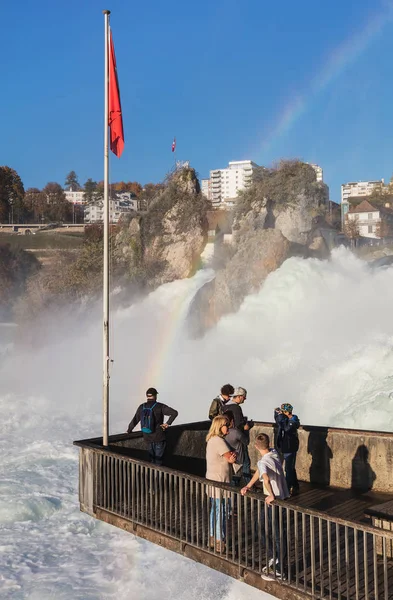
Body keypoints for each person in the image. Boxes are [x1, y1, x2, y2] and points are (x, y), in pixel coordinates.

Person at [241, 433, 289, 581]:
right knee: (262, 528)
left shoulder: (263, 462)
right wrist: (248, 485)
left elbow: (266, 478)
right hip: (283, 498)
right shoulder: (274, 452)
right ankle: (274, 558)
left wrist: (271, 494)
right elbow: (261, 472)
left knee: (274, 533)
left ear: (255, 446)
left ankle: (279, 568)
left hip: (274, 501)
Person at [205, 415, 236, 553]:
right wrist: (233, 456)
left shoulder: (211, 439)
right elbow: (230, 458)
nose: (228, 427)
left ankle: (212, 537)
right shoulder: (219, 441)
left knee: (215, 509)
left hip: (212, 478)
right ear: (220, 426)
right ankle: (219, 540)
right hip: (220, 481)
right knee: (221, 511)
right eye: (226, 424)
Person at [127, 387, 178, 466]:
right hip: (159, 437)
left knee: (151, 460)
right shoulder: (160, 406)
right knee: (158, 461)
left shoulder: (142, 407)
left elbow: (135, 420)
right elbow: (174, 413)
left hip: (147, 437)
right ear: (155, 396)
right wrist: (167, 423)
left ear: (147, 396)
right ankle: (158, 477)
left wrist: (129, 430)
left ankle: (152, 477)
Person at [225, 387, 253, 483]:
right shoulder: (236, 408)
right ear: (240, 396)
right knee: (245, 462)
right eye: (244, 397)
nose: (245, 399)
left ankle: (235, 484)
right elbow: (239, 425)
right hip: (238, 438)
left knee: (235, 463)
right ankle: (248, 484)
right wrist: (247, 426)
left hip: (227, 438)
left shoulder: (225, 406)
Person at [274, 403, 300, 496]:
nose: (282, 413)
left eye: (283, 412)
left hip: (290, 447)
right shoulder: (284, 419)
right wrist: (276, 413)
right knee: (290, 468)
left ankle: (287, 489)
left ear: (288, 412)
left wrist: (280, 416)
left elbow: (286, 428)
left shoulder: (293, 420)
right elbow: (278, 421)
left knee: (288, 469)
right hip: (284, 446)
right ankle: (295, 486)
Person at [224, 410, 248, 486]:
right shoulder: (235, 432)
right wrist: (246, 430)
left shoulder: (220, 433)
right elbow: (246, 441)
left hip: (226, 460)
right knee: (235, 483)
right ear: (232, 421)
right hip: (238, 461)